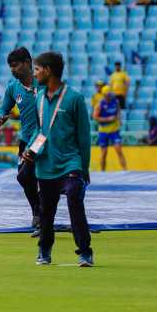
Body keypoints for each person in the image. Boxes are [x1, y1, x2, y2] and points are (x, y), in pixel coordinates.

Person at [22, 51, 94, 267]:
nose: (34, 74)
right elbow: (39, 131)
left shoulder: (75, 99)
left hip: (71, 162)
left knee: (74, 196)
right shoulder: (39, 99)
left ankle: (85, 251)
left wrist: (84, 167)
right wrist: (29, 149)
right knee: (47, 210)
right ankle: (44, 249)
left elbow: (84, 137)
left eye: (36, 69)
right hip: (46, 164)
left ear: (48, 70)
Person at [0, 47, 42, 235]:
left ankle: (40, 215)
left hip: (42, 138)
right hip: (26, 140)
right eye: (10, 67)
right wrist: (1, 116)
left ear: (28, 63)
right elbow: (4, 108)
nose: (13, 70)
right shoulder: (13, 87)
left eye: (16, 65)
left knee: (25, 176)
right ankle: (39, 212)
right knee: (25, 178)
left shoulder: (44, 83)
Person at [94, 86, 127, 172]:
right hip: (103, 131)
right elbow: (95, 117)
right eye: (108, 94)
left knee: (119, 150)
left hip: (114, 130)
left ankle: (125, 170)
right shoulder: (100, 104)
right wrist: (107, 119)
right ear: (105, 95)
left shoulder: (115, 101)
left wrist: (119, 119)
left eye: (110, 94)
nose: (110, 96)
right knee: (104, 153)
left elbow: (119, 110)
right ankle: (102, 172)